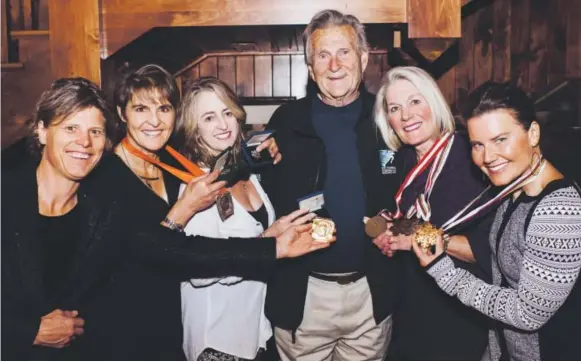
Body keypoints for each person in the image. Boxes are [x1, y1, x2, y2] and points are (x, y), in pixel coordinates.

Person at [64, 65, 330, 360]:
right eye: (141, 108)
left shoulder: (172, 163)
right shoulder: (107, 178)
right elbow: (172, 254)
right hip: (134, 333)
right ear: (122, 113)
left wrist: (260, 152)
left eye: (164, 108)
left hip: (223, 328)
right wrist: (269, 245)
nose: (154, 120)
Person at [260, 10, 401, 360]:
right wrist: (259, 154)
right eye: (323, 55)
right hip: (304, 295)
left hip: (371, 293)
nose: (334, 64)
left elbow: (406, 192)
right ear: (310, 68)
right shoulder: (286, 121)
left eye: (345, 52)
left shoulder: (388, 117)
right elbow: (261, 191)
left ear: (364, 59)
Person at [412, 82, 581, 361]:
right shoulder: (515, 190)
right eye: (478, 144)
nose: (487, 157)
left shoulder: (559, 210)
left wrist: (441, 269)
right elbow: (503, 281)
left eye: (500, 139)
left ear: (533, 133)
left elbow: (527, 315)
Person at [174, 77, 316, 361]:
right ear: (194, 128)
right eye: (209, 117)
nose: (223, 124)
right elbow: (198, 272)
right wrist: (267, 243)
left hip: (255, 332)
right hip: (216, 341)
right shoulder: (195, 185)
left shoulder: (245, 172)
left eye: (227, 113)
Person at [372, 66, 493, 360]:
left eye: (415, 101)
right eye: (395, 108)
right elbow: (380, 217)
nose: (406, 116)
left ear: (433, 102)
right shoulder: (399, 162)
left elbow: (492, 249)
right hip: (409, 306)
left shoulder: (471, 156)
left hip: (460, 310)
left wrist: (418, 237)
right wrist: (378, 234)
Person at [1, 78, 115, 361]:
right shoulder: (5, 196)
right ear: (41, 131)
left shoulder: (102, 210)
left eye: (95, 131)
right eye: (70, 128)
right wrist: (28, 331)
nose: (84, 142)